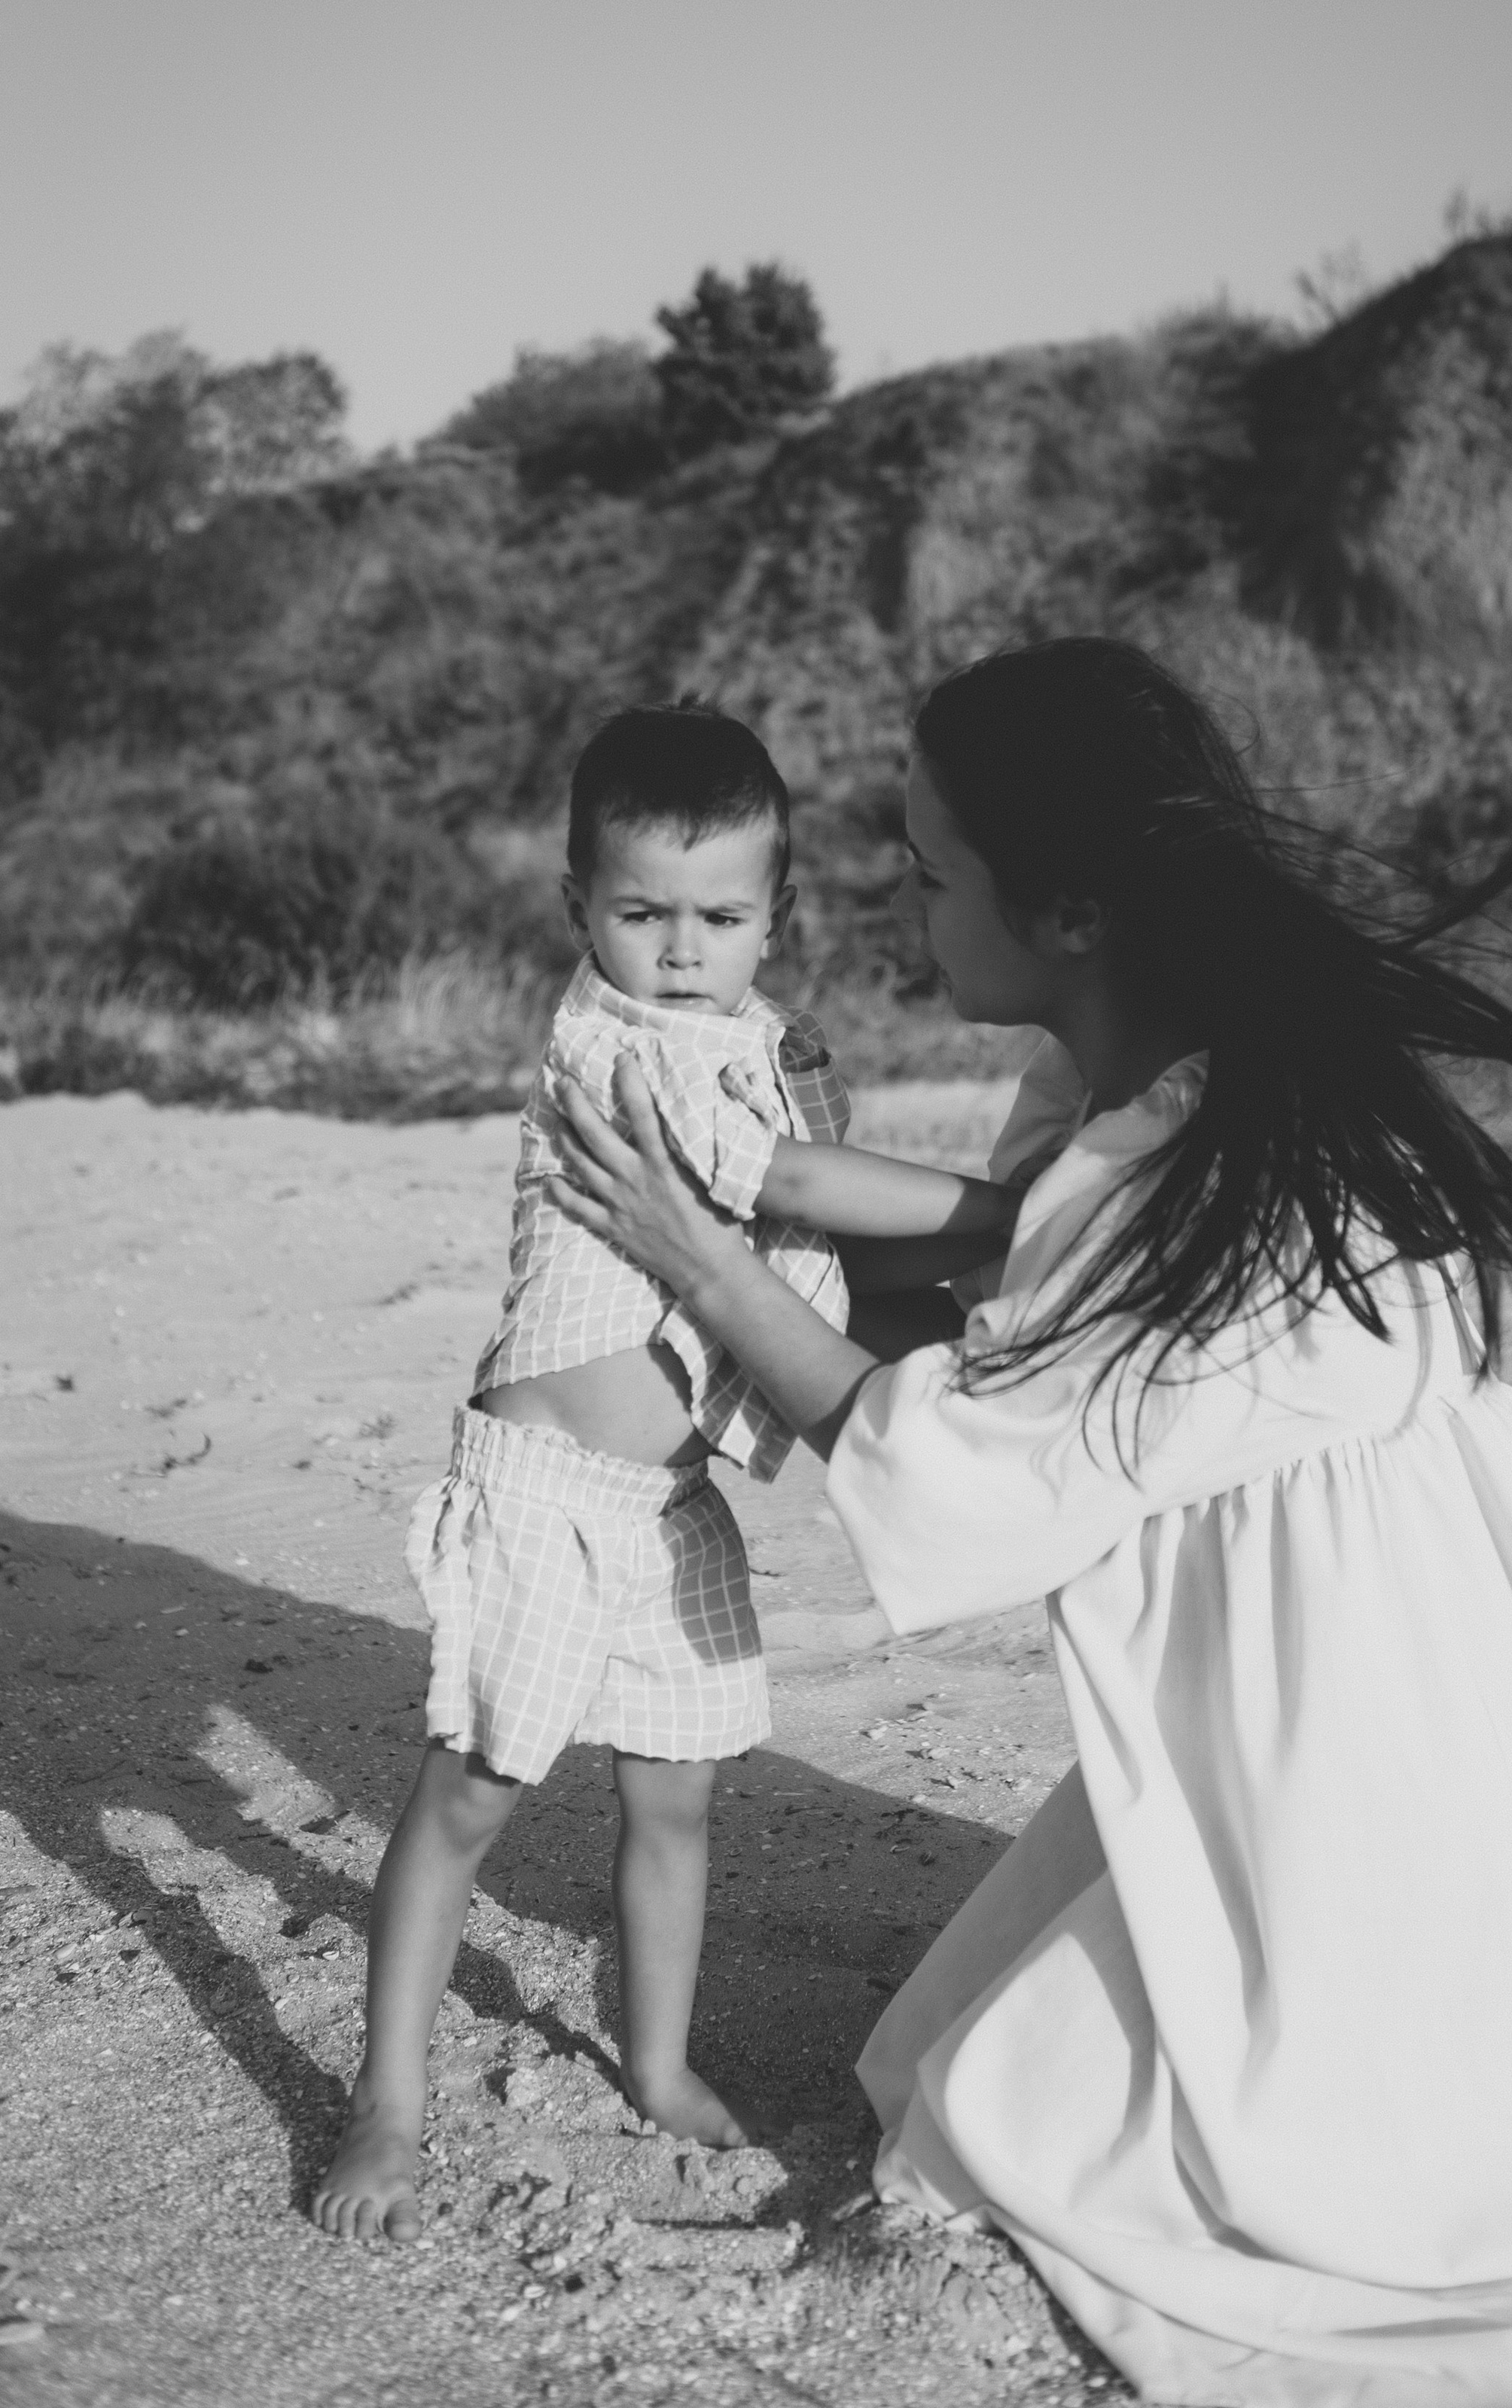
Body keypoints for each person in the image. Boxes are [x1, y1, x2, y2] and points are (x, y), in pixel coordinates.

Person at [549, 637, 1512, 2404]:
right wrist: (774, 1204)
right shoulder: (1161, 1089)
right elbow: (993, 1322)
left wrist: (705, 1264)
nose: (906, 913)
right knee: (983, 2075)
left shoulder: (1192, 1158)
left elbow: (966, 1471)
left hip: (1355, 1694)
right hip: (1397, 1632)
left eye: (931, 871)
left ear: (1071, 913)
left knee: (1056, 2136)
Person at [312, 700, 1017, 2245]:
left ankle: (653, 2057)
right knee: (471, 1799)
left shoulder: (749, 1039)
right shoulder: (619, 1051)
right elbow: (799, 1184)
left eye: (719, 917)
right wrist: (1015, 1217)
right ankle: (389, 2101)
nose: (680, 949)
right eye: (639, 914)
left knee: (677, 1804)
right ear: (578, 911)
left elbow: (819, 1203)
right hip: (545, 1494)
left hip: (667, 1504)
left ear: (773, 915)